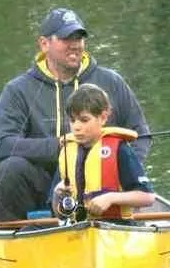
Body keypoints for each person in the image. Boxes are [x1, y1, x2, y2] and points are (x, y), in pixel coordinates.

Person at [0, 7, 151, 221]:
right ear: (44, 44)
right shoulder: (17, 90)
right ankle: (15, 238)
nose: (75, 44)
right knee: (10, 168)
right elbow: (1, 145)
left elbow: (141, 135)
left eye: (79, 37)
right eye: (66, 38)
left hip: (102, 187)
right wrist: (61, 145)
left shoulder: (112, 81)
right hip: (42, 186)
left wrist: (122, 171)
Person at [50, 84, 155, 222]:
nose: (76, 127)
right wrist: (57, 196)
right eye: (72, 120)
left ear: (103, 118)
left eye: (84, 120)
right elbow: (59, 214)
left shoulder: (119, 150)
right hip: (78, 230)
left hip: (117, 228)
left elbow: (147, 197)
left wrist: (110, 198)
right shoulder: (67, 153)